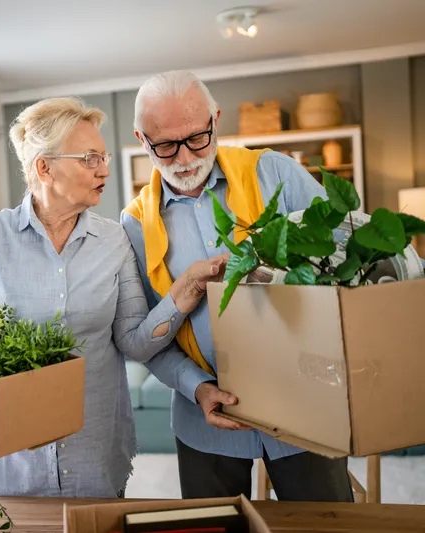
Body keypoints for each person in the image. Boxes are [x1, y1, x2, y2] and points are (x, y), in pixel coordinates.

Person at [0, 96, 228, 499]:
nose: (104, 169)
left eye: (103, 157)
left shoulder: (114, 240)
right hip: (10, 462)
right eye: (89, 158)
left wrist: (183, 293)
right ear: (44, 168)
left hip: (94, 454)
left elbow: (133, 342)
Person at [121, 70, 355, 502]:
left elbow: (346, 259)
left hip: (304, 407)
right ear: (141, 138)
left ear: (216, 119)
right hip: (202, 421)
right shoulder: (134, 225)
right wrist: (197, 387)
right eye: (166, 146)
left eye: (197, 138)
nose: (186, 158)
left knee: (326, 526)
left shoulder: (276, 173)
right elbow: (145, 338)